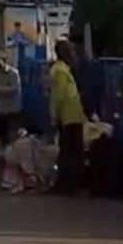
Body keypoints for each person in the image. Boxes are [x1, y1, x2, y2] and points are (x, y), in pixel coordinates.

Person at [49, 39, 88, 196]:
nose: (73, 54)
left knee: (70, 151)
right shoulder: (60, 71)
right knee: (70, 152)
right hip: (68, 117)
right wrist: (55, 116)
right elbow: (58, 96)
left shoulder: (63, 69)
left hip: (71, 116)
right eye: (70, 51)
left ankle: (69, 184)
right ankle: (68, 185)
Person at [0, 50, 23, 147]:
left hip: (13, 108)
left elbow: (15, 89)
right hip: (0, 108)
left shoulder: (13, 73)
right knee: (2, 134)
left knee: (15, 134)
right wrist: (6, 89)